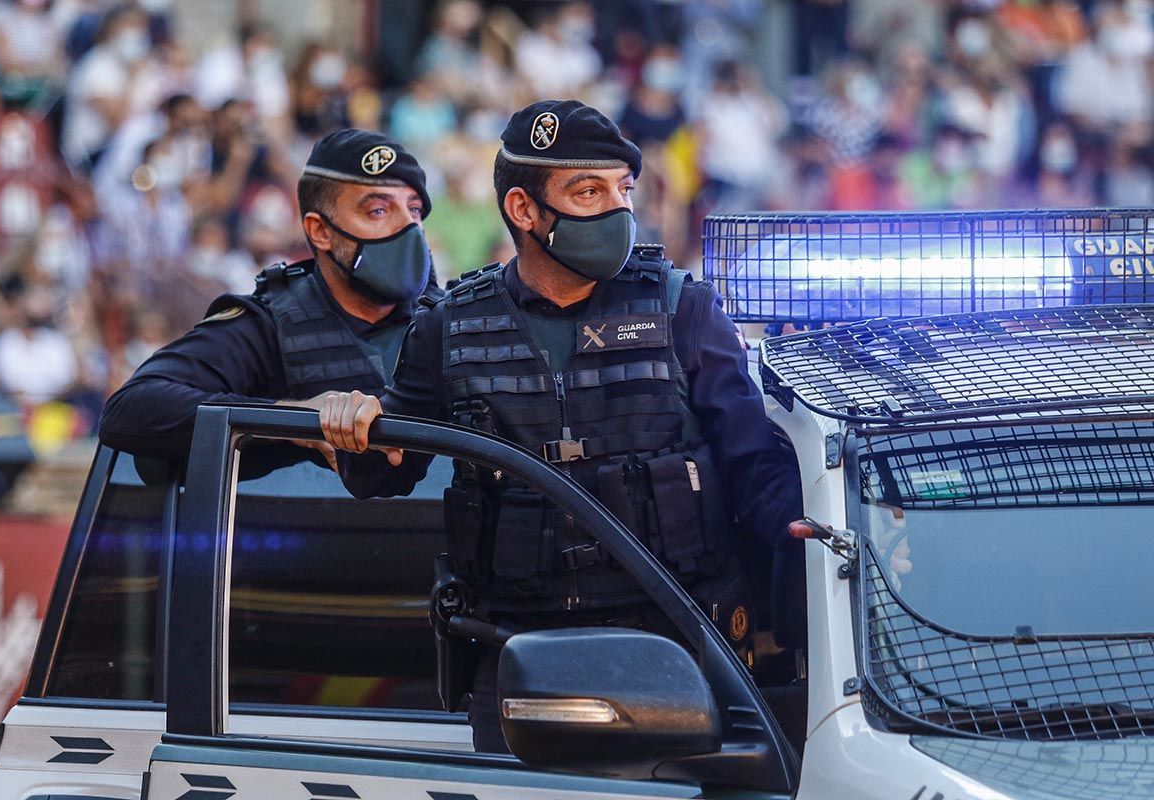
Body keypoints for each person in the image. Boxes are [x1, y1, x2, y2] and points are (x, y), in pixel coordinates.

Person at [318, 100, 804, 752]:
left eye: (623, 190)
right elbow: (378, 473)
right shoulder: (449, 328)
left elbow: (754, 466)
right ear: (524, 210)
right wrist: (354, 421)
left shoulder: (682, 307)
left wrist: (808, 532)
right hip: (518, 659)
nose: (617, 211)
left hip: (676, 647)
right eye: (588, 191)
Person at [98, 129, 437, 464]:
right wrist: (290, 418)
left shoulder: (446, 322)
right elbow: (131, 408)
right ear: (320, 231)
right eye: (378, 211)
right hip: (302, 516)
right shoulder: (269, 326)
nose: (409, 228)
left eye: (415, 210)